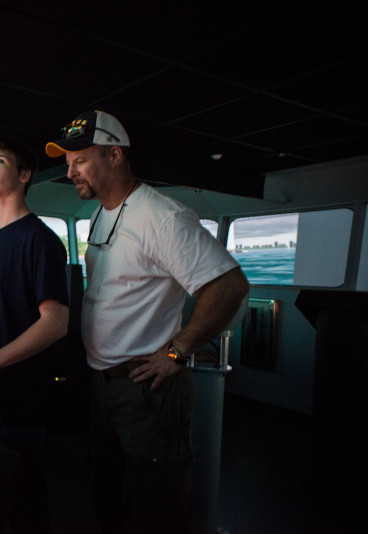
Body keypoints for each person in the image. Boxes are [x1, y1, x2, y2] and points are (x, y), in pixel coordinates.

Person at [45, 110, 250, 533]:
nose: (69, 172)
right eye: (67, 162)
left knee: (157, 510)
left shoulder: (162, 217)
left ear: (115, 155)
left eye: (79, 160)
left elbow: (229, 285)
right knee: (110, 497)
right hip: (104, 386)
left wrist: (178, 351)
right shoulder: (101, 215)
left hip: (147, 391)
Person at [0, 138, 70, 534]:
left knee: (24, 498)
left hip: (18, 394)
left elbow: (55, 322)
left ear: (23, 175)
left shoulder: (41, 241)